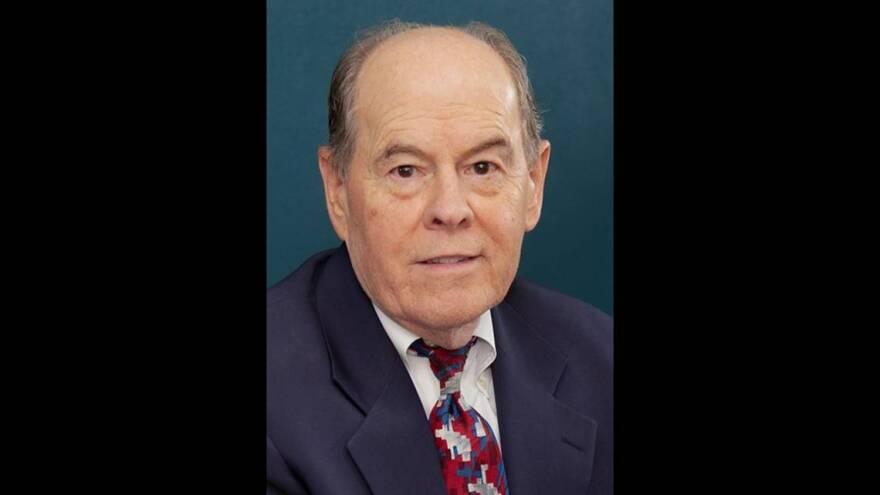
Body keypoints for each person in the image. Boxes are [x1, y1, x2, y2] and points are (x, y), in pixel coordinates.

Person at [267, 20, 612, 495]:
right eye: (405, 170)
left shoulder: (601, 358)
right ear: (338, 190)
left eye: (483, 167)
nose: (450, 210)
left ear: (533, 183)